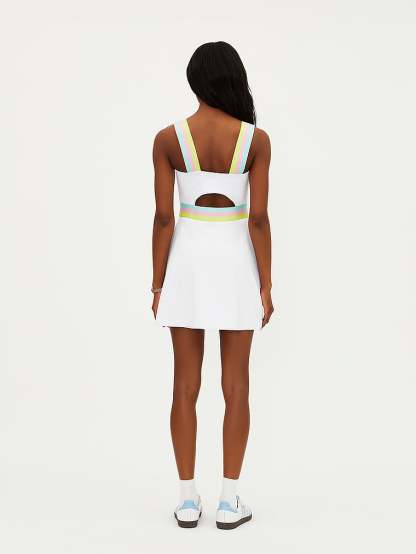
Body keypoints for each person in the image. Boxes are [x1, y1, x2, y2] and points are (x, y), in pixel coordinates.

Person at [151, 41, 274, 530]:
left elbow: (164, 218)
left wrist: (157, 283)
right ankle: (229, 501)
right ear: (233, 78)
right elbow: (258, 218)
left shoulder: (168, 138)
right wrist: (266, 284)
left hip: (186, 264)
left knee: (184, 384)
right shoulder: (256, 140)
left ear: (195, 80)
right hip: (236, 263)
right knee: (236, 385)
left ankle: (187, 500)